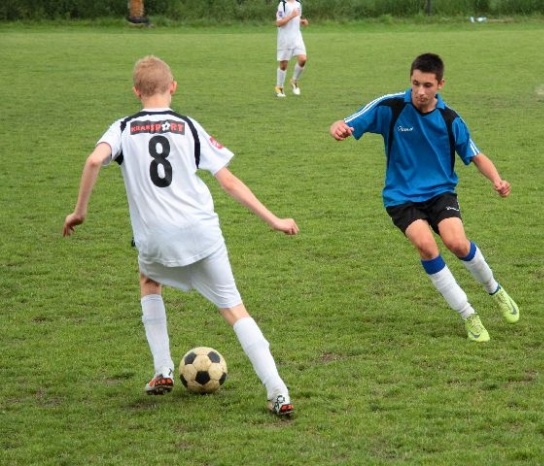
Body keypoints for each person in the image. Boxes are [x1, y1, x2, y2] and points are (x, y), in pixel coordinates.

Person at [63, 55, 298, 416]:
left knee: (149, 280)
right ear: (173, 87)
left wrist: (79, 212)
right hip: (202, 232)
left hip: (155, 237)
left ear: (136, 91)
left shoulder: (123, 127)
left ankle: (163, 370)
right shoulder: (188, 126)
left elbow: (94, 160)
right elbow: (228, 181)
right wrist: (273, 219)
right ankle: (278, 391)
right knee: (234, 310)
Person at [329, 53, 520, 342]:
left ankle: (495, 290)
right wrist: (338, 127)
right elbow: (347, 121)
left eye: (428, 85)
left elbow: (475, 154)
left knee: (457, 243)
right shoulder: (391, 107)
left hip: (440, 192)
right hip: (401, 196)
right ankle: (468, 314)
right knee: (426, 246)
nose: (420, 91)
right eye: (416, 83)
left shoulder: (449, 119)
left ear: (440, 84)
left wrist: (497, 180)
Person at [274, 0, 308, 98]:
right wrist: (291, 16)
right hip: (285, 39)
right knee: (283, 65)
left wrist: (301, 21)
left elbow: (296, 19)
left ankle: (294, 81)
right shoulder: (283, 4)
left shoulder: (298, 3)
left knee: (303, 59)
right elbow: (279, 23)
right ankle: (279, 87)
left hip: (297, 37)